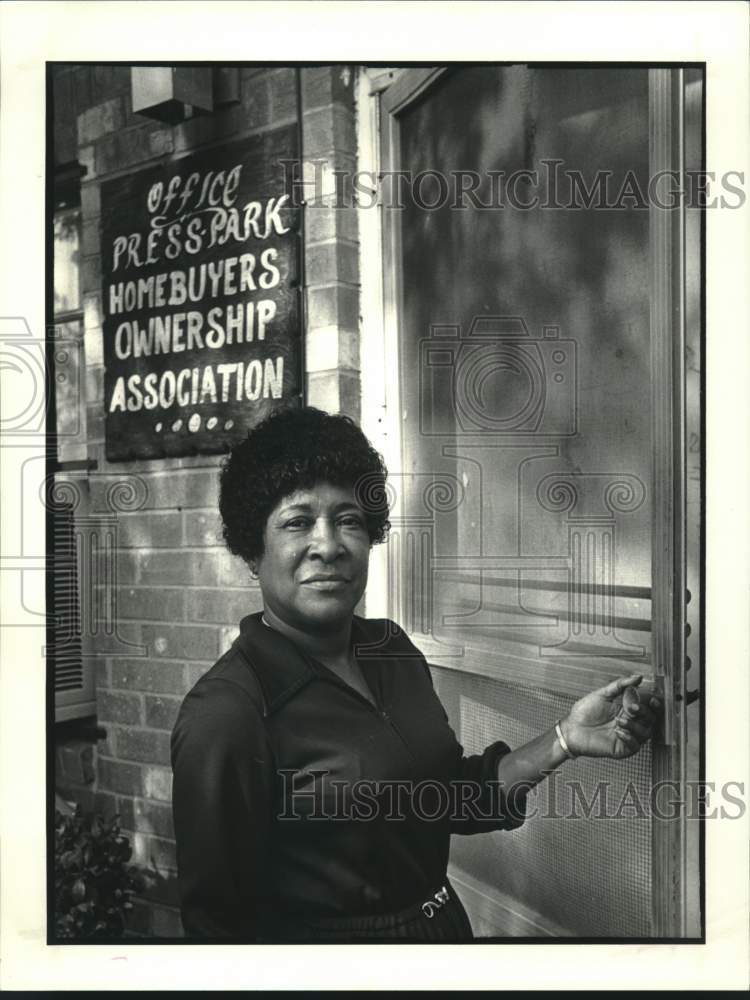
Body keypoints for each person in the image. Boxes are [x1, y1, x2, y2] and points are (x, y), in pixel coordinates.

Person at [170, 406, 662, 942]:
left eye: (349, 520)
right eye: (297, 521)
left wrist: (566, 738)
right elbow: (218, 935)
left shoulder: (391, 650)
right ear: (251, 549)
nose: (329, 544)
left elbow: (448, 795)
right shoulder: (229, 711)